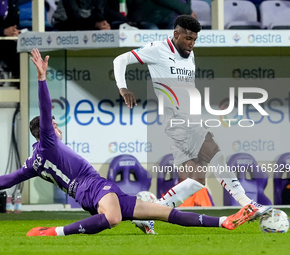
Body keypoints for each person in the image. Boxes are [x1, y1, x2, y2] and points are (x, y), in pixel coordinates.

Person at [0, 48, 257, 236]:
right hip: (93, 187)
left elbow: (10, 178)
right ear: (47, 130)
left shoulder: (34, 162)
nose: (57, 126)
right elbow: (46, 109)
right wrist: (41, 79)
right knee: (114, 218)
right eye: (53, 124)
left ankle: (225, 223)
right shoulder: (48, 144)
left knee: (163, 214)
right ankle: (55, 232)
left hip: (94, 193)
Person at [113, 15, 272, 227]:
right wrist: (123, 88)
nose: (191, 43)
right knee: (217, 155)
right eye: (188, 38)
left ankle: (147, 216)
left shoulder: (190, 53)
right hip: (179, 120)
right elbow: (120, 59)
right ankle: (247, 204)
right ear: (176, 34)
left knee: (197, 180)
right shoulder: (158, 49)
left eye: (195, 39)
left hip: (186, 120)